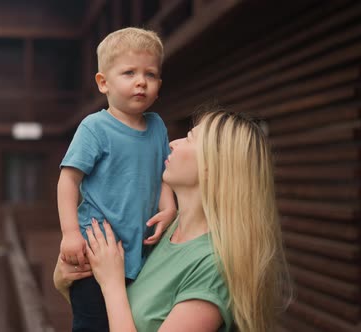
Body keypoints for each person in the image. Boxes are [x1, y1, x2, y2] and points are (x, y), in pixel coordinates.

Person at [55, 109, 293, 332]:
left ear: (213, 166)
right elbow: (105, 316)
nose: (172, 144)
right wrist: (65, 278)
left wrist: (111, 284)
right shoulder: (162, 229)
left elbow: (115, 296)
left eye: (189, 139)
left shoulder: (214, 268)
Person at [57, 27, 177, 331]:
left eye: (150, 75)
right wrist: (70, 233)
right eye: (129, 73)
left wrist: (170, 208)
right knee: (93, 324)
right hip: (96, 250)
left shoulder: (157, 126)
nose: (141, 81)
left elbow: (163, 174)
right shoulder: (95, 128)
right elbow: (68, 181)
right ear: (103, 82)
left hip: (139, 252)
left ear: (159, 85)